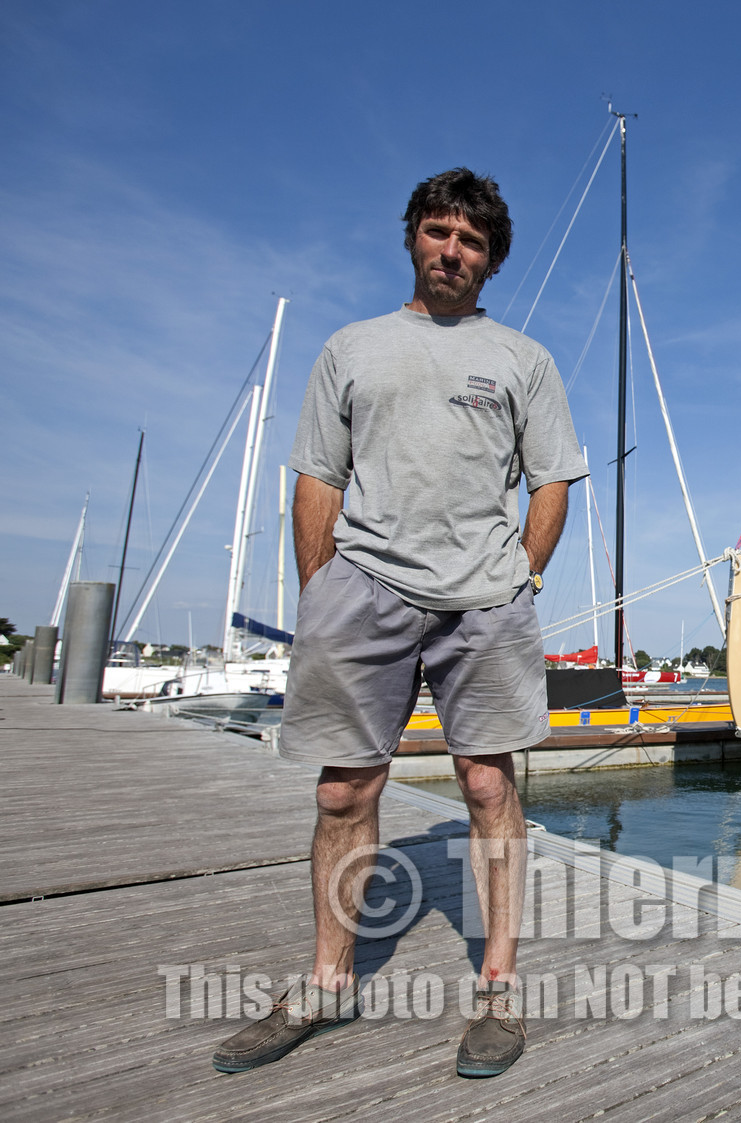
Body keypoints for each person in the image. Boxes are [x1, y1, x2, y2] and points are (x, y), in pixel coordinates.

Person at [213, 168, 587, 1079]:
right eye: (438, 232)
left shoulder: (525, 361)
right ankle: (327, 982)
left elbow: (553, 480)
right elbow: (318, 475)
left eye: (471, 241)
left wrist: (523, 576)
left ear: (491, 260)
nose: (452, 251)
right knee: (344, 791)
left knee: (487, 785)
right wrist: (320, 590)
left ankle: (498, 988)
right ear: (413, 236)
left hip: (483, 600)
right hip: (364, 588)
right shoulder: (351, 347)